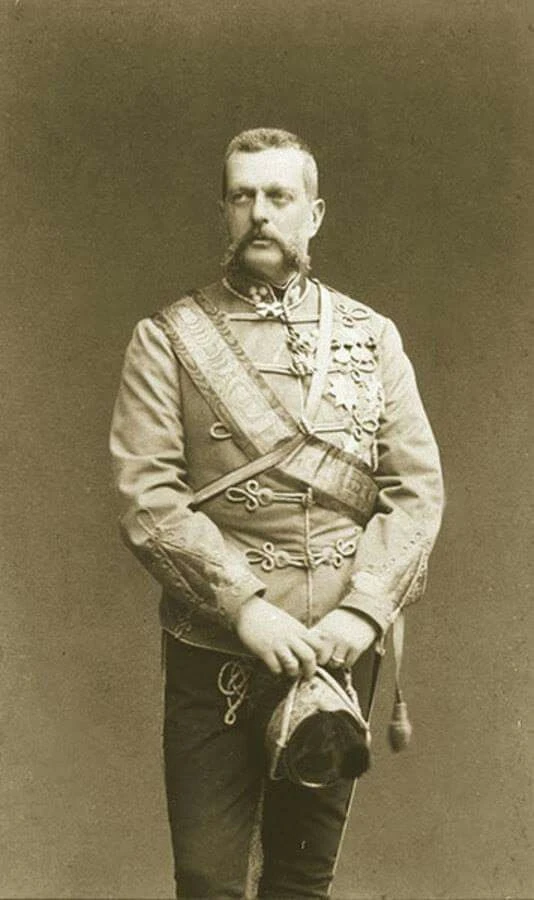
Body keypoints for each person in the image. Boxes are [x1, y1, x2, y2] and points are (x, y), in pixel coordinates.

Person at [109, 127, 444, 899]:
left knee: (301, 879)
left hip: (338, 647)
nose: (260, 212)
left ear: (313, 214)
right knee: (208, 879)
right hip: (220, 644)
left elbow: (416, 489)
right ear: (226, 212)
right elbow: (147, 494)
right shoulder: (166, 341)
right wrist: (245, 607)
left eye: (279, 196)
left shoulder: (372, 337)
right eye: (243, 196)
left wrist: (364, 612)